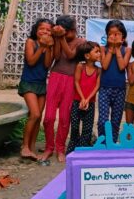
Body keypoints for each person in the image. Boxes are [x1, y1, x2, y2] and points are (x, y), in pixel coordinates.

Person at [42, 15, 86, 163]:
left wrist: (60, 38)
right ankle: (49, 147)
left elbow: (70, 55)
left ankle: (60, 148)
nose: (65, 35)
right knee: (48, 117)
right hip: (55, 77)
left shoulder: (81, 42)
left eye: (67, 32)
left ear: (73, 30)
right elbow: (56, 56)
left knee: (64, 118)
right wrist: (57, 40)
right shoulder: (56, 39)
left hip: (71, 80)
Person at [17, 18, 54, 161]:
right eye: (42, 29)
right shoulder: (30, 42)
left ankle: (31, 148)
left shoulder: (50, 45)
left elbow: (46, 65)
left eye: (48, 30)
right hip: (28, 83)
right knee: (34, 114)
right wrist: (42, 47)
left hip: (41, 84)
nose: (44, 31)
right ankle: (24, 146)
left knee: (38, 117)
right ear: (36, 30)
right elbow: (31, 61)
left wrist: (48, 47)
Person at [98, 20, 131, 143]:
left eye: (116, 34)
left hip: (120, 89)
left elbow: (122, 66)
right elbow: (105, 66)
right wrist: (111, 49)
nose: (113, 36)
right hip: (104, 88)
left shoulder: (127, 50)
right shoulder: (102, 48)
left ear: (123, 36)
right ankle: (102, 143)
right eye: (110, 34)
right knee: (102, 121)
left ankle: (112, 145)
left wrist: (117, 49)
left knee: (116, 121)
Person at [66, 41, 101, 153]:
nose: (99, 54)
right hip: (77, 102)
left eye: (99, 51)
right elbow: (76, 82)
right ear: (87, 55)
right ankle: (72, 151)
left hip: (90, 103)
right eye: (96, 51)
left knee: (87, 128)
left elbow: (97, 86)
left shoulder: (99, 70)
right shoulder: (80, 66)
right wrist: (82, 98)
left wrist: (87, 99)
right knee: (75, 127)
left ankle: (82, 152)